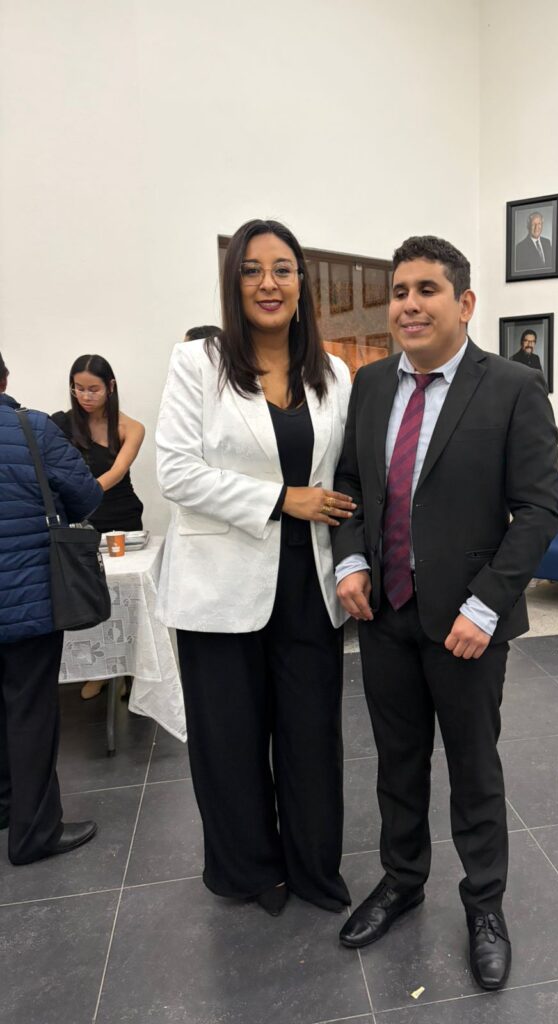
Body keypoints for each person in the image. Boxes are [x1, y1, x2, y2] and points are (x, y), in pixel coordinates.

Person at [333, 235, 558, 989]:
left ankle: (484, 905)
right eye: (399, 291)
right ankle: (402, 880)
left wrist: (487, 605)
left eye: (426, 289)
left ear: (464, 303)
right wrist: (351, 559)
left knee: (473, 768)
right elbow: (350, 483)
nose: (409, 304)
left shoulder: (514, 387)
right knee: (397, 763)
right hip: (386, 615)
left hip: (468, 624)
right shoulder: (371, 385)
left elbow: (538, 511)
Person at [155, 218, 354, 917]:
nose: (268, 283)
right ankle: (250, 870)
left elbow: (346, 475)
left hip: (310, 584)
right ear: (232, 281)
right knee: (230, 741)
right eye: (251, 270)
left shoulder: (334, 374)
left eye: (282, 269)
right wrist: (280, 499)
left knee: (312, 737)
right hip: (219, 585)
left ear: (302, 284)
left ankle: (313, 867)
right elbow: (175, 472)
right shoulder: (199, 364)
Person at [0, 399, 103, 862]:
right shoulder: (32, 428)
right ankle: (34, 833)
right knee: (31, 710)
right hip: (26, 593)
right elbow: (87, 495)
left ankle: (5, 805)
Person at [52, 355, 146, 699]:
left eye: (93, 389)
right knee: (86, 595)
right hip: (80, 521)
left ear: (111, 387)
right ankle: (99, 670)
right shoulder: (60, 424)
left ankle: (132, 673)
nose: (85, 396)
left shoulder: (130, 428)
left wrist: (85, 492)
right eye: (78, 388)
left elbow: (117, 472)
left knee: (125, 600)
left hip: (121, 517)